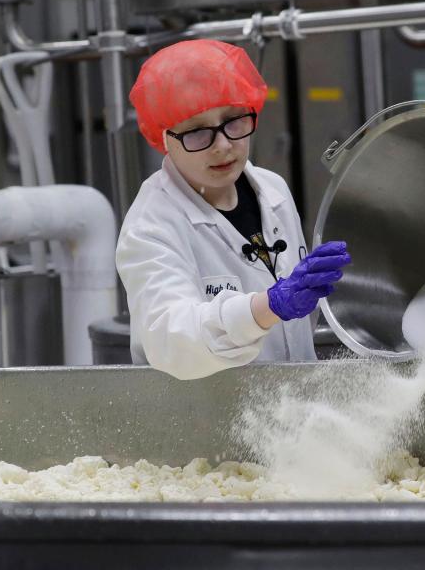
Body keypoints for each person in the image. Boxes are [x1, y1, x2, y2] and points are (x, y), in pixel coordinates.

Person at [117, 40, 351, 379]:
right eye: (198, 132)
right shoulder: (151, 226)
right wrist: (264, 308)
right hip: (203, 423)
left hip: (295, 409)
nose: (223, 145)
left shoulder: (274, 191)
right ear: (164, 136)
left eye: (233, 120)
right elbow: (172, 341)